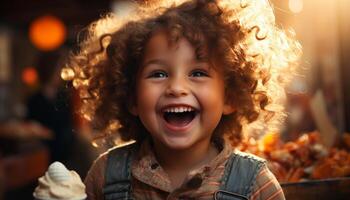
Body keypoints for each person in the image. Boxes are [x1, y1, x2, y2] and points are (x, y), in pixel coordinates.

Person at [62, 0, 301, 199]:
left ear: (230, 97)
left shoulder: (254, 184)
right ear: (132, 97)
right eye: (158, 74)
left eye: (198, 73)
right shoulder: (106, 176)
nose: (176, 88)